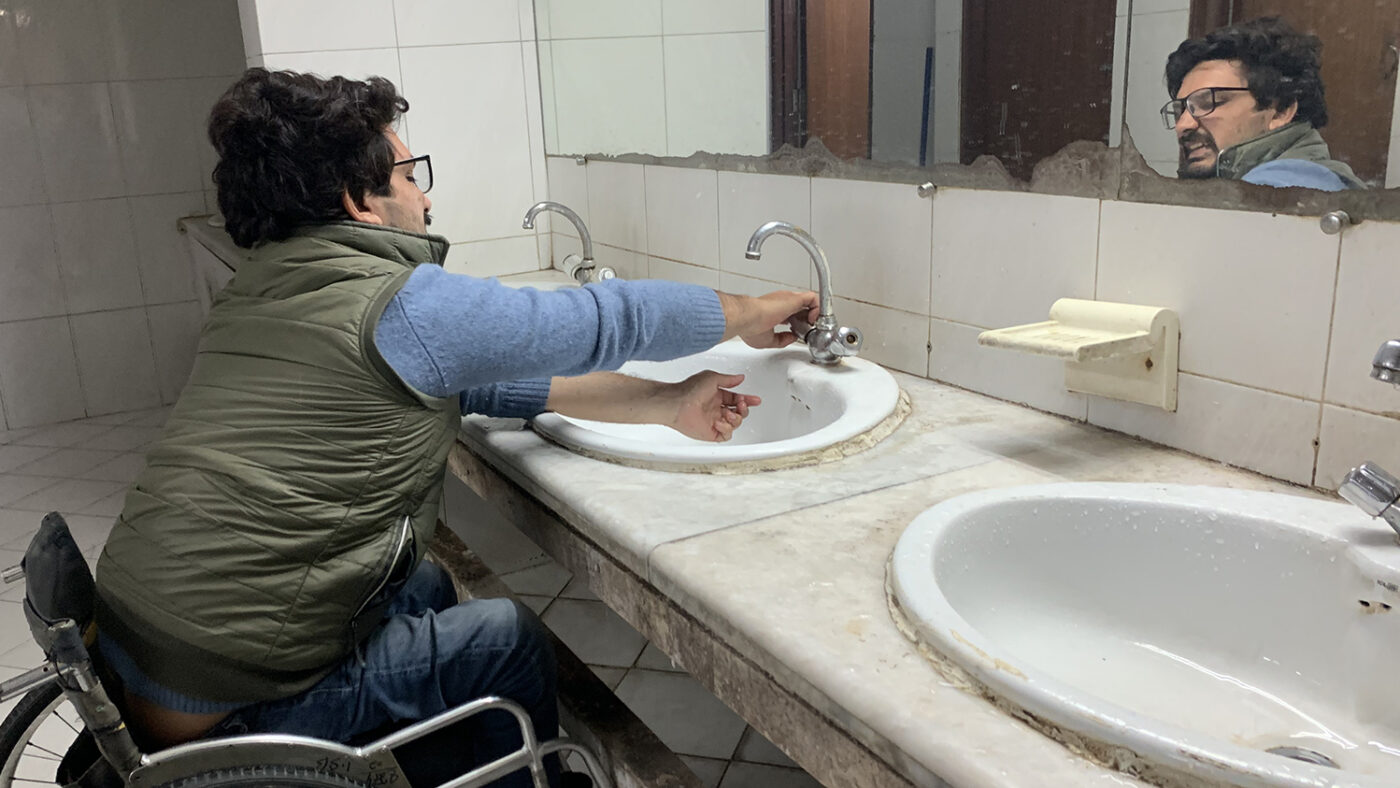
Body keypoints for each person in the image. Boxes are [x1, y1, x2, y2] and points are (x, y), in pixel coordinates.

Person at [91, 68, 819, 788]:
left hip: (143, 655)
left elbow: (490, 383)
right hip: (224, 707)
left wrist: (667, 404)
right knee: (504, 640)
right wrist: (749, 312)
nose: (426, 194)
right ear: (359, 199)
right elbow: (604, 320)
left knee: (425, 588)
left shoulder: (269, 288)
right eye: (410, 173)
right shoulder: (396, 303)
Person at [1162, 16, 1365, 190]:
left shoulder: (1283, 189)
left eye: (1209, 103)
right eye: (1181, 110)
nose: (1183, 125)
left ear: (1280, 111)